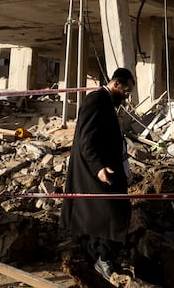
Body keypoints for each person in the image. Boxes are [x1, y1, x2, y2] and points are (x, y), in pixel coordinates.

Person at [62, 67, 136, 281]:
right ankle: (103, 259)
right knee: (112, 213)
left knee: (103, 215)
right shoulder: (96, 101)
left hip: (105, 169)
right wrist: (98, 168)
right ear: (116, 84)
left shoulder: (105, 102)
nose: (126, 96)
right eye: (126, 91)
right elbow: (85, 140)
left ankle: (99, 259)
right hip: (95, 171)